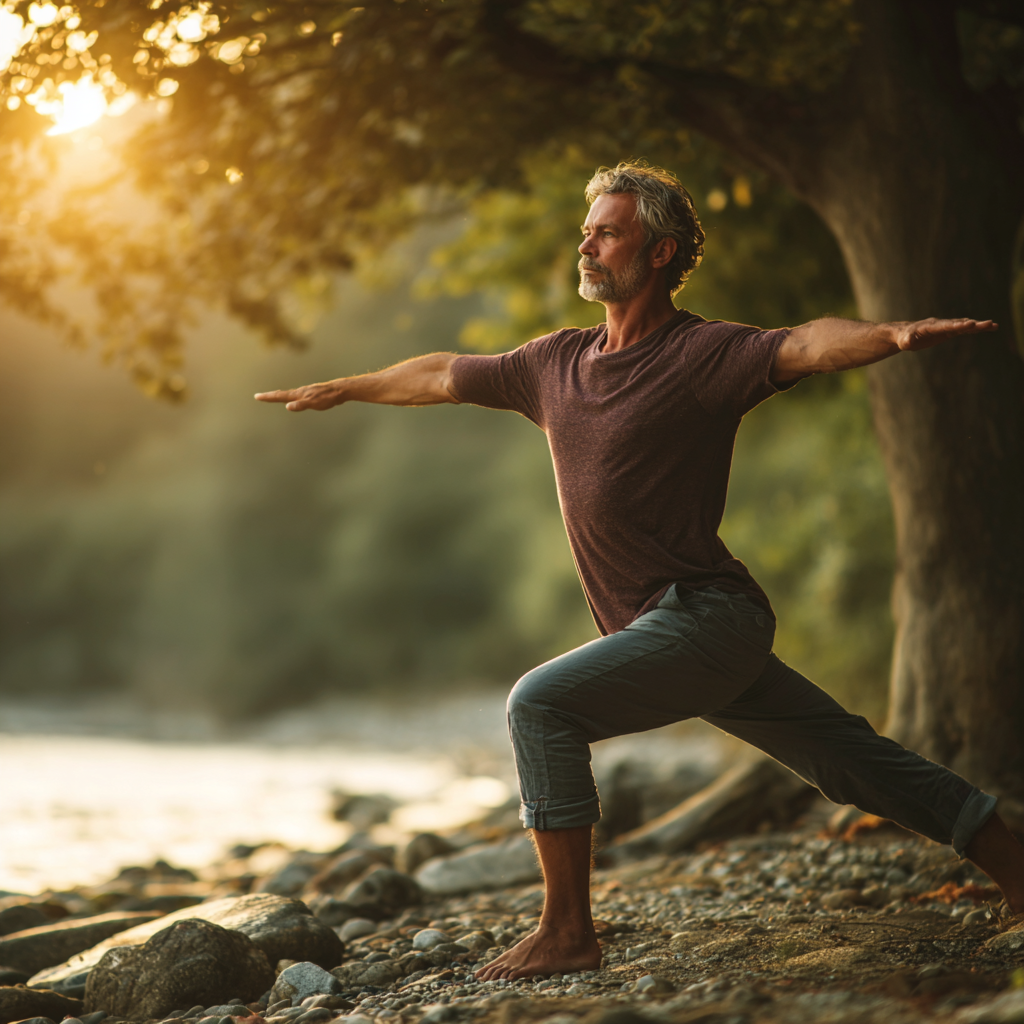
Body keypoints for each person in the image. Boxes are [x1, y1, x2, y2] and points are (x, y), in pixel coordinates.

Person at [257, 161, 1024, 980]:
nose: (586, 245)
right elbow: (442, 373)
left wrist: (894, 335)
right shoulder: (553, 364)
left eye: (607, 231)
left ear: (658, 252)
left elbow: (804, 343)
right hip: (670, 631)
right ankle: (1015, 863)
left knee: (540, 704)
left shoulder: (701, 354)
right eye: (586, 230)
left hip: (703, 616)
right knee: (849, 760)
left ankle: (566, 932)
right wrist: (347, 387)